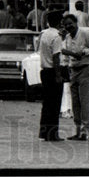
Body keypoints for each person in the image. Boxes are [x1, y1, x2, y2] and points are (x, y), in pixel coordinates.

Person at [60, 13, 89, 141]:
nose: (68, 27)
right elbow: (65, 56)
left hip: (85, 69)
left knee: (84, 101)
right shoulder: (67, 38)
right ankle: (77, 130)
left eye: (70, 24)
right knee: (75, 102)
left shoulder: (85, 34)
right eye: (66, 25)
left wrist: (85, 52)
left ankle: (85, 131)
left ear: (76, 22)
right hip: (73, 70)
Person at [37, 10, 66, 142]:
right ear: (59, 22)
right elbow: (56, 57)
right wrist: (58, 75)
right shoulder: (56, 36)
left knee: (47, 104)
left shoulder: (44, 34)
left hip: (44, 71)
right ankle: (53, 134)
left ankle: (44, 132)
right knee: (55, 104)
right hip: (52, 72)